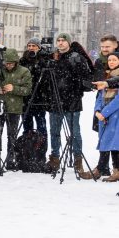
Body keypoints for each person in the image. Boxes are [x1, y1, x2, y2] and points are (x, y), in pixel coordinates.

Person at [48, 33, 93, 174]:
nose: (60, 43)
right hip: (55, 101)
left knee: (75, 133)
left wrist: (76, 92)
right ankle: (55, 159)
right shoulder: (53, 58)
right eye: (58, 40)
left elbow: (85, 79)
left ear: (68, 42)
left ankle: (78, 160)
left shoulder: (76, 58)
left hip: (72, 101)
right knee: (54, 132)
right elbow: (47, 80)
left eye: (63, 40)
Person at [0, 48, 33, 171]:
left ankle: (10, 160)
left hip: (14, 109)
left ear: (16, 62)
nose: (8, 65)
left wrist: (14, 88)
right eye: (7, 63)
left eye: (11, 63)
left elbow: (27, 90)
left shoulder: (24, 71)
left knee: (12, 136)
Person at [82, 52, 119, 181]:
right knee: (104, 142)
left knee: (115, 145)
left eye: (114, 60)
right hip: (104, 117)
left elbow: (118, 100)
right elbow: (99, 96)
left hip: (115, 116)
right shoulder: (107, 76)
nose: (111, 62)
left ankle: (116, 170)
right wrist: (97, 111)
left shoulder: (116, 78)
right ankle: (101, 168)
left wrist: (105, 112)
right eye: (110, 60)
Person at [19, 38, 51, 141]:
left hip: (39, 98)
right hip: (25, 98)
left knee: (41, 126)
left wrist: (41, 63)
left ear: (39, 47)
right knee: (27, 127)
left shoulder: (44, 59)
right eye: (29, 46)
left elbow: (47, 79)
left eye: (34, 46)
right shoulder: (23, 60)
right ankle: (28, 148)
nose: (31, 48)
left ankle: (41, 148)